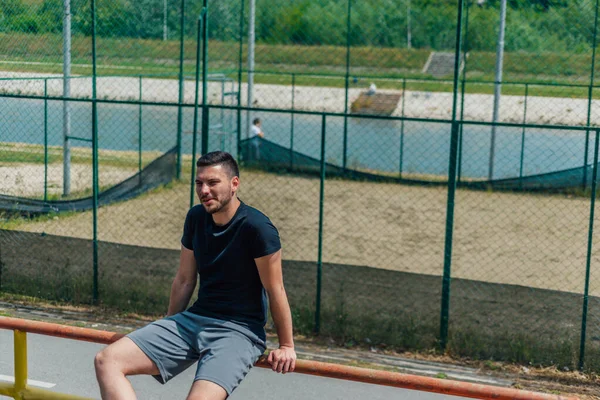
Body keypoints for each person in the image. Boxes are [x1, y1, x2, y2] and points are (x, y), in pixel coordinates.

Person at [94, 151, 296, 400]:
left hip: (238, 331)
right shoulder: (196, 217)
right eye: (199, 183)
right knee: (107, 361)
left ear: (234, 184)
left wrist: (287, 346)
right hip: (195, 319)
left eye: (213, 183)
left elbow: (275, 289)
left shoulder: (258, 228)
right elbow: (184, 279)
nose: (204, 190)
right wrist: (168, 324)